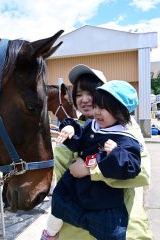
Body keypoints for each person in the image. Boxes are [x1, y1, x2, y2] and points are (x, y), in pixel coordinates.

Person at [42, 64, 152, 240]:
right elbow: (62, 179)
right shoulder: (77, 129)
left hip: (117, 223)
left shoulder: (126, 130)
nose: (84, 99)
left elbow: (142, 174)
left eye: (90, 93)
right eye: (78, 94)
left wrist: (90, 169)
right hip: (75, 227)